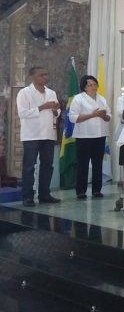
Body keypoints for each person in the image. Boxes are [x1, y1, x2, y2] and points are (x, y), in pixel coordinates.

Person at [16, 67, 62, 207]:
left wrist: (56, 111)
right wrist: (43, 107)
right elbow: (22, 113)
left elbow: (58, 111)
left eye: (46, 74)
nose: (45, 77)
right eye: (41, 75)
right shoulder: (24, 93)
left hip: (48, 133)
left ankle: (44, 194)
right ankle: (28, 196)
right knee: (30, 166)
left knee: (47, 165)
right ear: (32, 76)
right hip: (31, 135)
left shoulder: (51, 92)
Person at [69, 75, 111, 200]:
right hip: (84, 136)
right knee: (83, 164)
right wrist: (92, 115)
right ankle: (81, 191)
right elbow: (73, 117)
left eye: (95, 84)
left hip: (100, 135)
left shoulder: (102, 99)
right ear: (84, 88)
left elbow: (109, 116)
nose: (93, 87)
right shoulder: (78, 99)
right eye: (90, 85)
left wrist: (103, 116)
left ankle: (96, 190)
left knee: (97, 163)